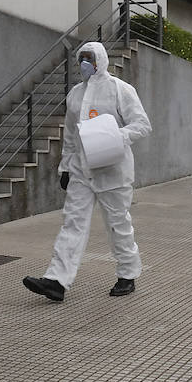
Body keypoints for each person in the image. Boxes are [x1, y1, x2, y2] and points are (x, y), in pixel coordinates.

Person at [24, 42, 152, 302]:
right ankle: (57, 280)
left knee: (118, 224)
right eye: (81, 58)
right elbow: (70, 135)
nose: (85, 63)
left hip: (113, 171)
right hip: (82, 170)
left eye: (89, 58)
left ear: (101, 60)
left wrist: (114, 137)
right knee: (72, 223)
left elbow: (142, 125)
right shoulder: (75, 95)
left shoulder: (120, 90)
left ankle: (127, 274)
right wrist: (65, 167)